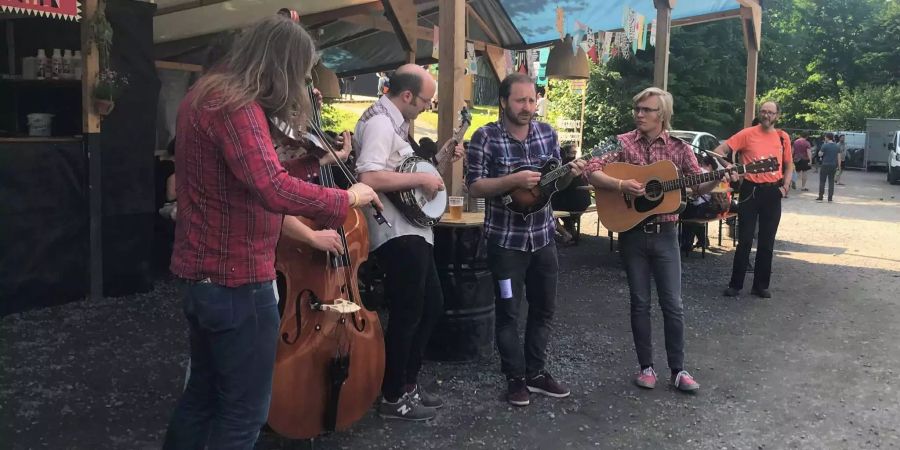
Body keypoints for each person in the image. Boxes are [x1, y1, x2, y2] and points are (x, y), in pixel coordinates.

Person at [163, 16, 381, 449]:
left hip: (203, 277)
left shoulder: (202, 96)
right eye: (299, 73)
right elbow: (271, 187)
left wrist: (307, 160)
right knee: (244, 413)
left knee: (203, 396)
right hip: (237, 281)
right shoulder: (235, 104)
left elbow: (247, 177)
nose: (299, 84)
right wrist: (348, 199)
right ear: (282, 64)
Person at [585, 87, 728, 393]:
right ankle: (646, 367)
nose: (639, 114)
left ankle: (678, 370)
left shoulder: (679, 148)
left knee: (673, 305)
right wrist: (621, 183)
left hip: (666, 236)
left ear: (661, 114)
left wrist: (717, 178)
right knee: (639, 303)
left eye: (646, 110)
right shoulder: (620, 142)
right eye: (637, 109)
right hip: (632, 235)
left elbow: (696, 188)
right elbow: (591, 169)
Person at [467, 72, 583, 406]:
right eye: (520, 100)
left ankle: (536, 373)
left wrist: (569, 175)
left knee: (544, 309)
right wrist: (512, 179)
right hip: (505, 243)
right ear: (504, 101)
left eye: (532, 100)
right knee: (508, 312)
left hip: (543, 239)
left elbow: (552, 186)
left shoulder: (548, 134)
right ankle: (515, 378)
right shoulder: (485, 137)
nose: (527, 107)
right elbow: (474, 186)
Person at [355, 64, 463, 421]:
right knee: (408, 312)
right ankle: (392, 396)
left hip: (411, 229)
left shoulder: (396, 125)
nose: (426, 107)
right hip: (394, 233)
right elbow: (368, 175)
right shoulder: (379, 123)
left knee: (431, 305)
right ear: (406, 95)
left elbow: (415, 176)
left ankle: (407, 384)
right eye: (425, 100)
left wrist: (439, 162)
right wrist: (421, 177)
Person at [717, 101, 793, 299]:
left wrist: (785, 187)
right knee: (744, 240)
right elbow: (718, 152)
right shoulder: (747, 134)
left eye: (770, 112)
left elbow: (789, 165)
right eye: (763, 111)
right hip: (750, 190)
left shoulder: (783, 137)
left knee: (767, 242)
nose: (766, 115)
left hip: (772, 192)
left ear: (777, 115)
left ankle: (760, 285)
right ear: (759, 114)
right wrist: (729, 167)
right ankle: (735, 285)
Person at [550, 143, 591, 244]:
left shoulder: (563, 165)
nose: (574, 154)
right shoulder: (577, 165)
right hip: (584, 203)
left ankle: (565, 234)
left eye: (575, 153)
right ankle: (572, 233)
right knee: (562, 210)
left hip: (572, 204)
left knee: (546, 210)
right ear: (567, 153)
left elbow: (558, 188)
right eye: (573, 152)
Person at [817, 132, 841, 203]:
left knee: (822, 181)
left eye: (825, 137)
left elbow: (820, 154)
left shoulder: (825, 145)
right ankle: (830, 198)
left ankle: (821, 197)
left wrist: (821, 152)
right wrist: (839, 166)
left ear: (827, 137)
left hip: (825, 165)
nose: (824, 138)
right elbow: (839, 157)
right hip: (833, 165)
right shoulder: (837, 146)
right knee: (831, 182)